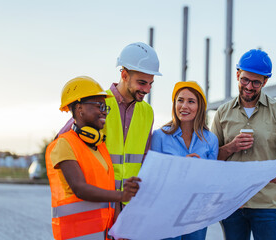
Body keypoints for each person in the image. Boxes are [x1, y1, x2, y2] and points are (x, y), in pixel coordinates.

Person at [211, 49, 276, 240]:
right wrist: (231, 147)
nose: (249, 86)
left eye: (256, 82)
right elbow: (211, 159)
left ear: (265, 82)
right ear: (237, 74)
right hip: (232, 203)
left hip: (266, 204)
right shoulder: (222, 113)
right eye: (245, 79)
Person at [57, 42, 161, 210]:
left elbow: (144, 158)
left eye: (151, 83)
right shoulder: (98, 103)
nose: (147, 89)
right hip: (98, 202)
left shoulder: (147, 112)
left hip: (129, 205)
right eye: (142, 83)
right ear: (125, 75)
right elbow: (63, 142)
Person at [46, 76, 141, 240]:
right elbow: (80, 188)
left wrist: (119, 227)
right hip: (75, 235)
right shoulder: (64, 144)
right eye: (99, 105)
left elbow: (110, 189)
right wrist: (121, 196)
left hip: (102, 234)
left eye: (106, 107)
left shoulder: (100, 146)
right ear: (79, 108)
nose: (104, 111)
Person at [151, 81, 219, 240]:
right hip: (166, 212)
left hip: (197, 214)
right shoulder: (159, 136)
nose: (184, 106)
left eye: (191, 101)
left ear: (200, 106)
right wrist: (181, 165)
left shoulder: (211, 140)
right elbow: (154, 176)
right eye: (180, 100)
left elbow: (212, 180)